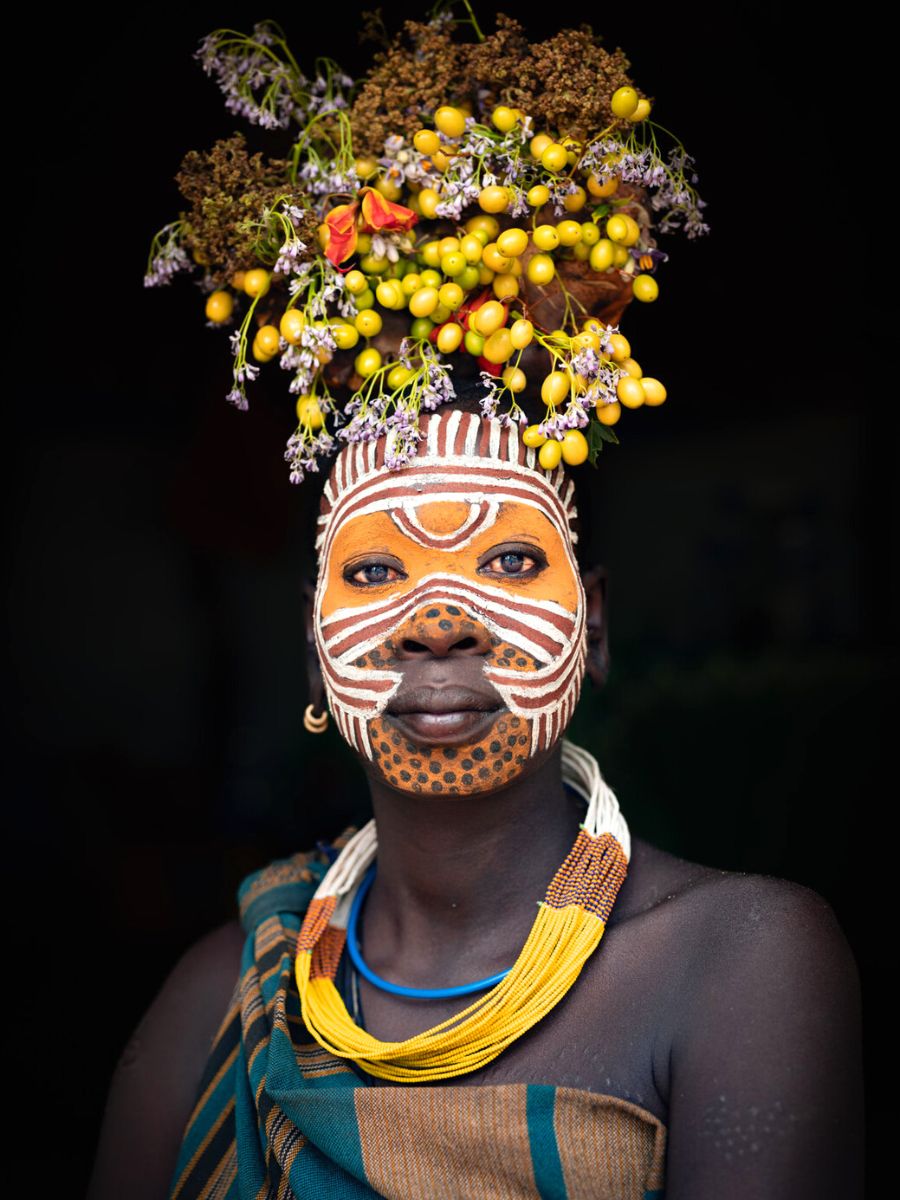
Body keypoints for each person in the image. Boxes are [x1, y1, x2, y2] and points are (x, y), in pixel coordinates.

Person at [89, 13, 864, 1197]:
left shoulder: (743, 963)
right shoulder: (217, 997)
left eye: (507, 563)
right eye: (374, 572)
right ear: (310, 653)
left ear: (593, 625)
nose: (438, 620)